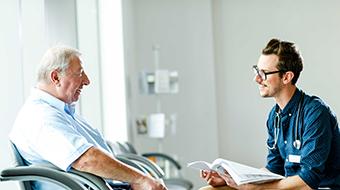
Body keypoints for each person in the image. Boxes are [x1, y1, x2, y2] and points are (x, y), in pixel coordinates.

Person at [9, 45, 167, 190]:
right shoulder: (40, 117)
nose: (87, 81)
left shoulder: (61, 113)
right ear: (56, 77)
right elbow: (86, 160)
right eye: (80, 73)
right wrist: (141, 180)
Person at [199, 38, 340, 189]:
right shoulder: (275, 116)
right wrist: (231, 180)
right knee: (209, 189)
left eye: (264, 73)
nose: (257, 79)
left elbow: (308, 180)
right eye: (257, 71)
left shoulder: (315, 113)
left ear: (287, 77)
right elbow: (274, 169)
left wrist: (259, 189)